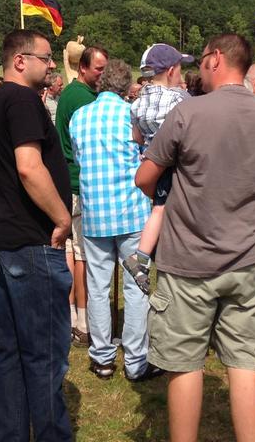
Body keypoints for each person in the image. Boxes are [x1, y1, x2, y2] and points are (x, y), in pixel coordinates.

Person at [135, 34, 255, 442]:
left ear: (216, 59)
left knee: (185, 365)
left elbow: (145, 178)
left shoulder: (188, 114)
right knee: (244, 365)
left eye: (201, 61)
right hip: (250, 260)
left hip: (189, 260)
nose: (197, 69)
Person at [0, 29, 72, 442]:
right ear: (21, 60)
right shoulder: (21, 100)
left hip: (6, 240)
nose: (52, 65)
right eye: (46, 57)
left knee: (14, 353)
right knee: (46, 355)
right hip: (32, 243)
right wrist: (62, 218)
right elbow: (29, 167)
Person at [71, 58, 160, 382]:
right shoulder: (132, 116)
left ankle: (102, 357)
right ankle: (136, 361)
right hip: (131, 212)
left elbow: (80, 158)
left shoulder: (80, 117)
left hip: (96, 213)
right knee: (137, 288)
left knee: (97, 287)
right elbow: (147, 156)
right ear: (126, 88)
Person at [124, 43, 193, 294]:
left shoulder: (138, 102)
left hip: (150, 161)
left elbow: (137, 138)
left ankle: (145, 256)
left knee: (157, 209)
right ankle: (141, 258)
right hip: (175, 164)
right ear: (173, 70)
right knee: (162, 211)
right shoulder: (179, 99)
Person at [54, 44, 107, 345]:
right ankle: (84, 321)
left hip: (69, 182)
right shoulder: (84, 99)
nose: (102, 74)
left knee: (72, 253)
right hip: (80, 184)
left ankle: (72, 316)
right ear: (83, 68)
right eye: (99, 68)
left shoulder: (73, 94)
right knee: (82, 256)